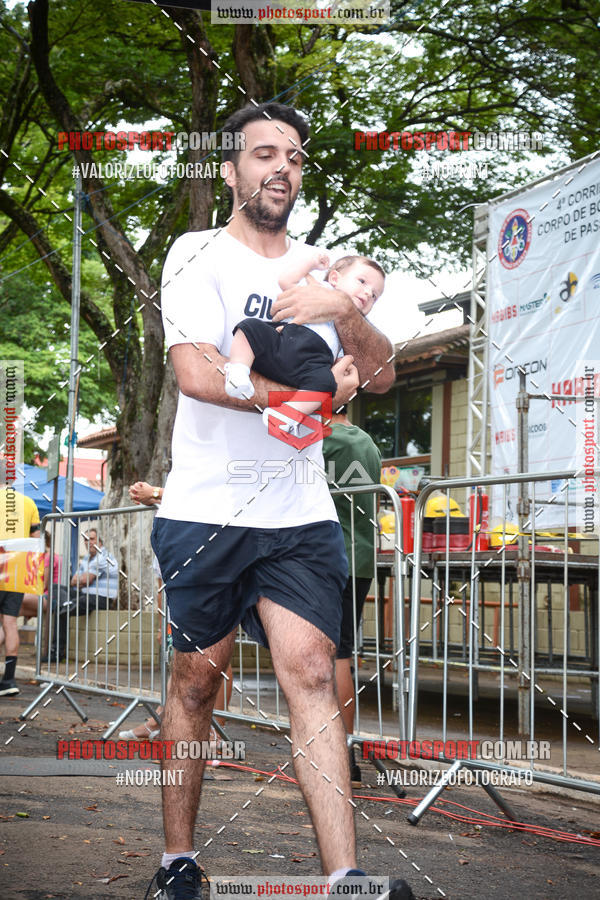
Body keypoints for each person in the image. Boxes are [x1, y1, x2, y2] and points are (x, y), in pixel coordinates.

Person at [148, 101, 400, 900]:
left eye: (292, 155)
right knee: (197, 679)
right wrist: (292, 404)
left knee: (315, 674)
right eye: (263, 154)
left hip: (299, 514)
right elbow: (196, 374)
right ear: (231, 170)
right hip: (207, 508)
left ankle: (345, 877)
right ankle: (178, 862)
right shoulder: (196, 255)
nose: (280, 168)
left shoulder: (324, 270)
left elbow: (383, 374)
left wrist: (348, 311)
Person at [120, 482, 232, 742]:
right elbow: (162, 581)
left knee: (219, 652)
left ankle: (217, 726)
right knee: (182, 658)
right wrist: (163, 622)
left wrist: (157, 493)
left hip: (212, 561)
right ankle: (162, 719)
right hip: (177, 565)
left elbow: (213, 495)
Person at [225, 252, 385, 432]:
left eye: (374, 296)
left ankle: (288, 415)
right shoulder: (319, 289)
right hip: (284, 342)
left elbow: (346, 363)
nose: (367, 292)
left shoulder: (353, 326)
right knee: (250, 327)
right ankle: (238, 371)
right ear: (334, 278)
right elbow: (287, 281)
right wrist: (311, 262)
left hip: (313, 364)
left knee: (327, 384)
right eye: (362, 282)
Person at [322, 408, 382, 785]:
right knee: (343, 651)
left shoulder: (321, 441)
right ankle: (342, 754)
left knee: (332, 656)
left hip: (329, 556)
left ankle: (339, 757)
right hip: (360, 556)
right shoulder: (367, 442)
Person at [44, 527, 118, 662]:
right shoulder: (87, 559)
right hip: (85, 595)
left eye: (92, 539)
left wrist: (82, 580)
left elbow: (85, 580)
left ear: (100, 542)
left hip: (101, 598)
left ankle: (56, 653)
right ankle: (67, 603)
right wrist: (82, 580)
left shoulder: (103, 557)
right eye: (85, 539)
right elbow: (74, 581)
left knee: (63, 610)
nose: (88, 542)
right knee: (56, 588)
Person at [0, 461, 41, 695]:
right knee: (9, 622)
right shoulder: (28, 503)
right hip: (16, 572)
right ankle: (8, 680)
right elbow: (35, 539)